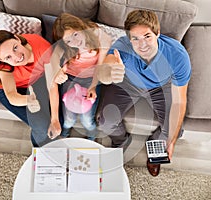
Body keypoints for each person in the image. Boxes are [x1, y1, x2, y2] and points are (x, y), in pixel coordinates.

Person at [96, 10, 191, 176]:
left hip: (160, 87)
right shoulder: (121, 47)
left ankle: (155, 146)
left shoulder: (177, 56)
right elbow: (104, 71)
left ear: (158, 33)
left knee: (176, 128)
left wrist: (172, 142)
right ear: (129, 38)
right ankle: (121, 143)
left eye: (147, 36)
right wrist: (109, 72)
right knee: (105, 121)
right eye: (135, 38)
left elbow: (179, 101)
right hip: (128, 83)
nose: (142, 45)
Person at [0, 30, 62, 147]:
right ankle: (39, 151)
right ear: (1, 60)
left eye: (15, 47)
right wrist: (29, 100)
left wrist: (55, 120)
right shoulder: (3, 68)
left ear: (17, 38)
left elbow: (52, 85)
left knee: (58, 119)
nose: (17, 57)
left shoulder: (42, 48)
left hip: (34, 81)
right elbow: (12, 95)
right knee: (41, 126)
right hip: (10, 91)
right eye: (8, 57)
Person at [49, 13, 111, 140]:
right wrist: (58, 71)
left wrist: (93, 86)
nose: (75, 42)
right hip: (71, 78)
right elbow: (54, 57)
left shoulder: (99, 35)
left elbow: (100, 66)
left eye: (75, 34)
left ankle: (92, 134)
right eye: (69, 41)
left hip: (92, 78)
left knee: (87, 119)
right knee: (68, 119)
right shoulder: (64, 46)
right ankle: (64, 132)